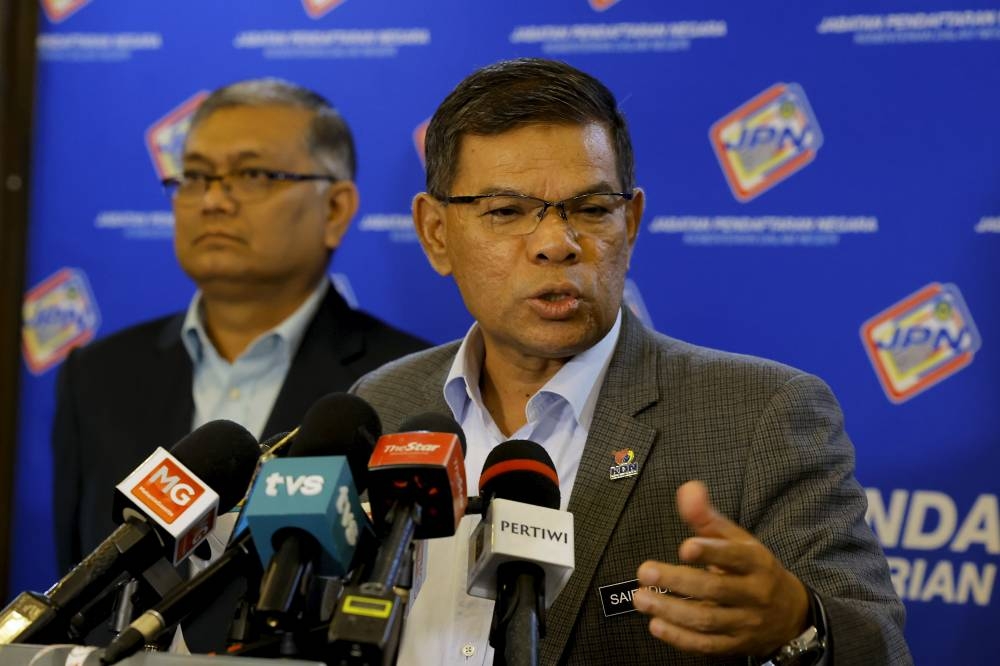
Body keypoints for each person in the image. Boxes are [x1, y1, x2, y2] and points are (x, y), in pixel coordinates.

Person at [352, 59, 911, 665]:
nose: (556, 243)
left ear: (632, 221)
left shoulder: (761, 416)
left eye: (591, 209)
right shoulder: (382, 404)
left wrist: (797, 626)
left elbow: (878, 647)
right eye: (506, 212)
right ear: (435, 233)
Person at [52, 78, 428, 575]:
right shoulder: (98, 374)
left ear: (335, 209)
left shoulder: (408, 384)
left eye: (251, 175)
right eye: (195, 176)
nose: (211, 201)